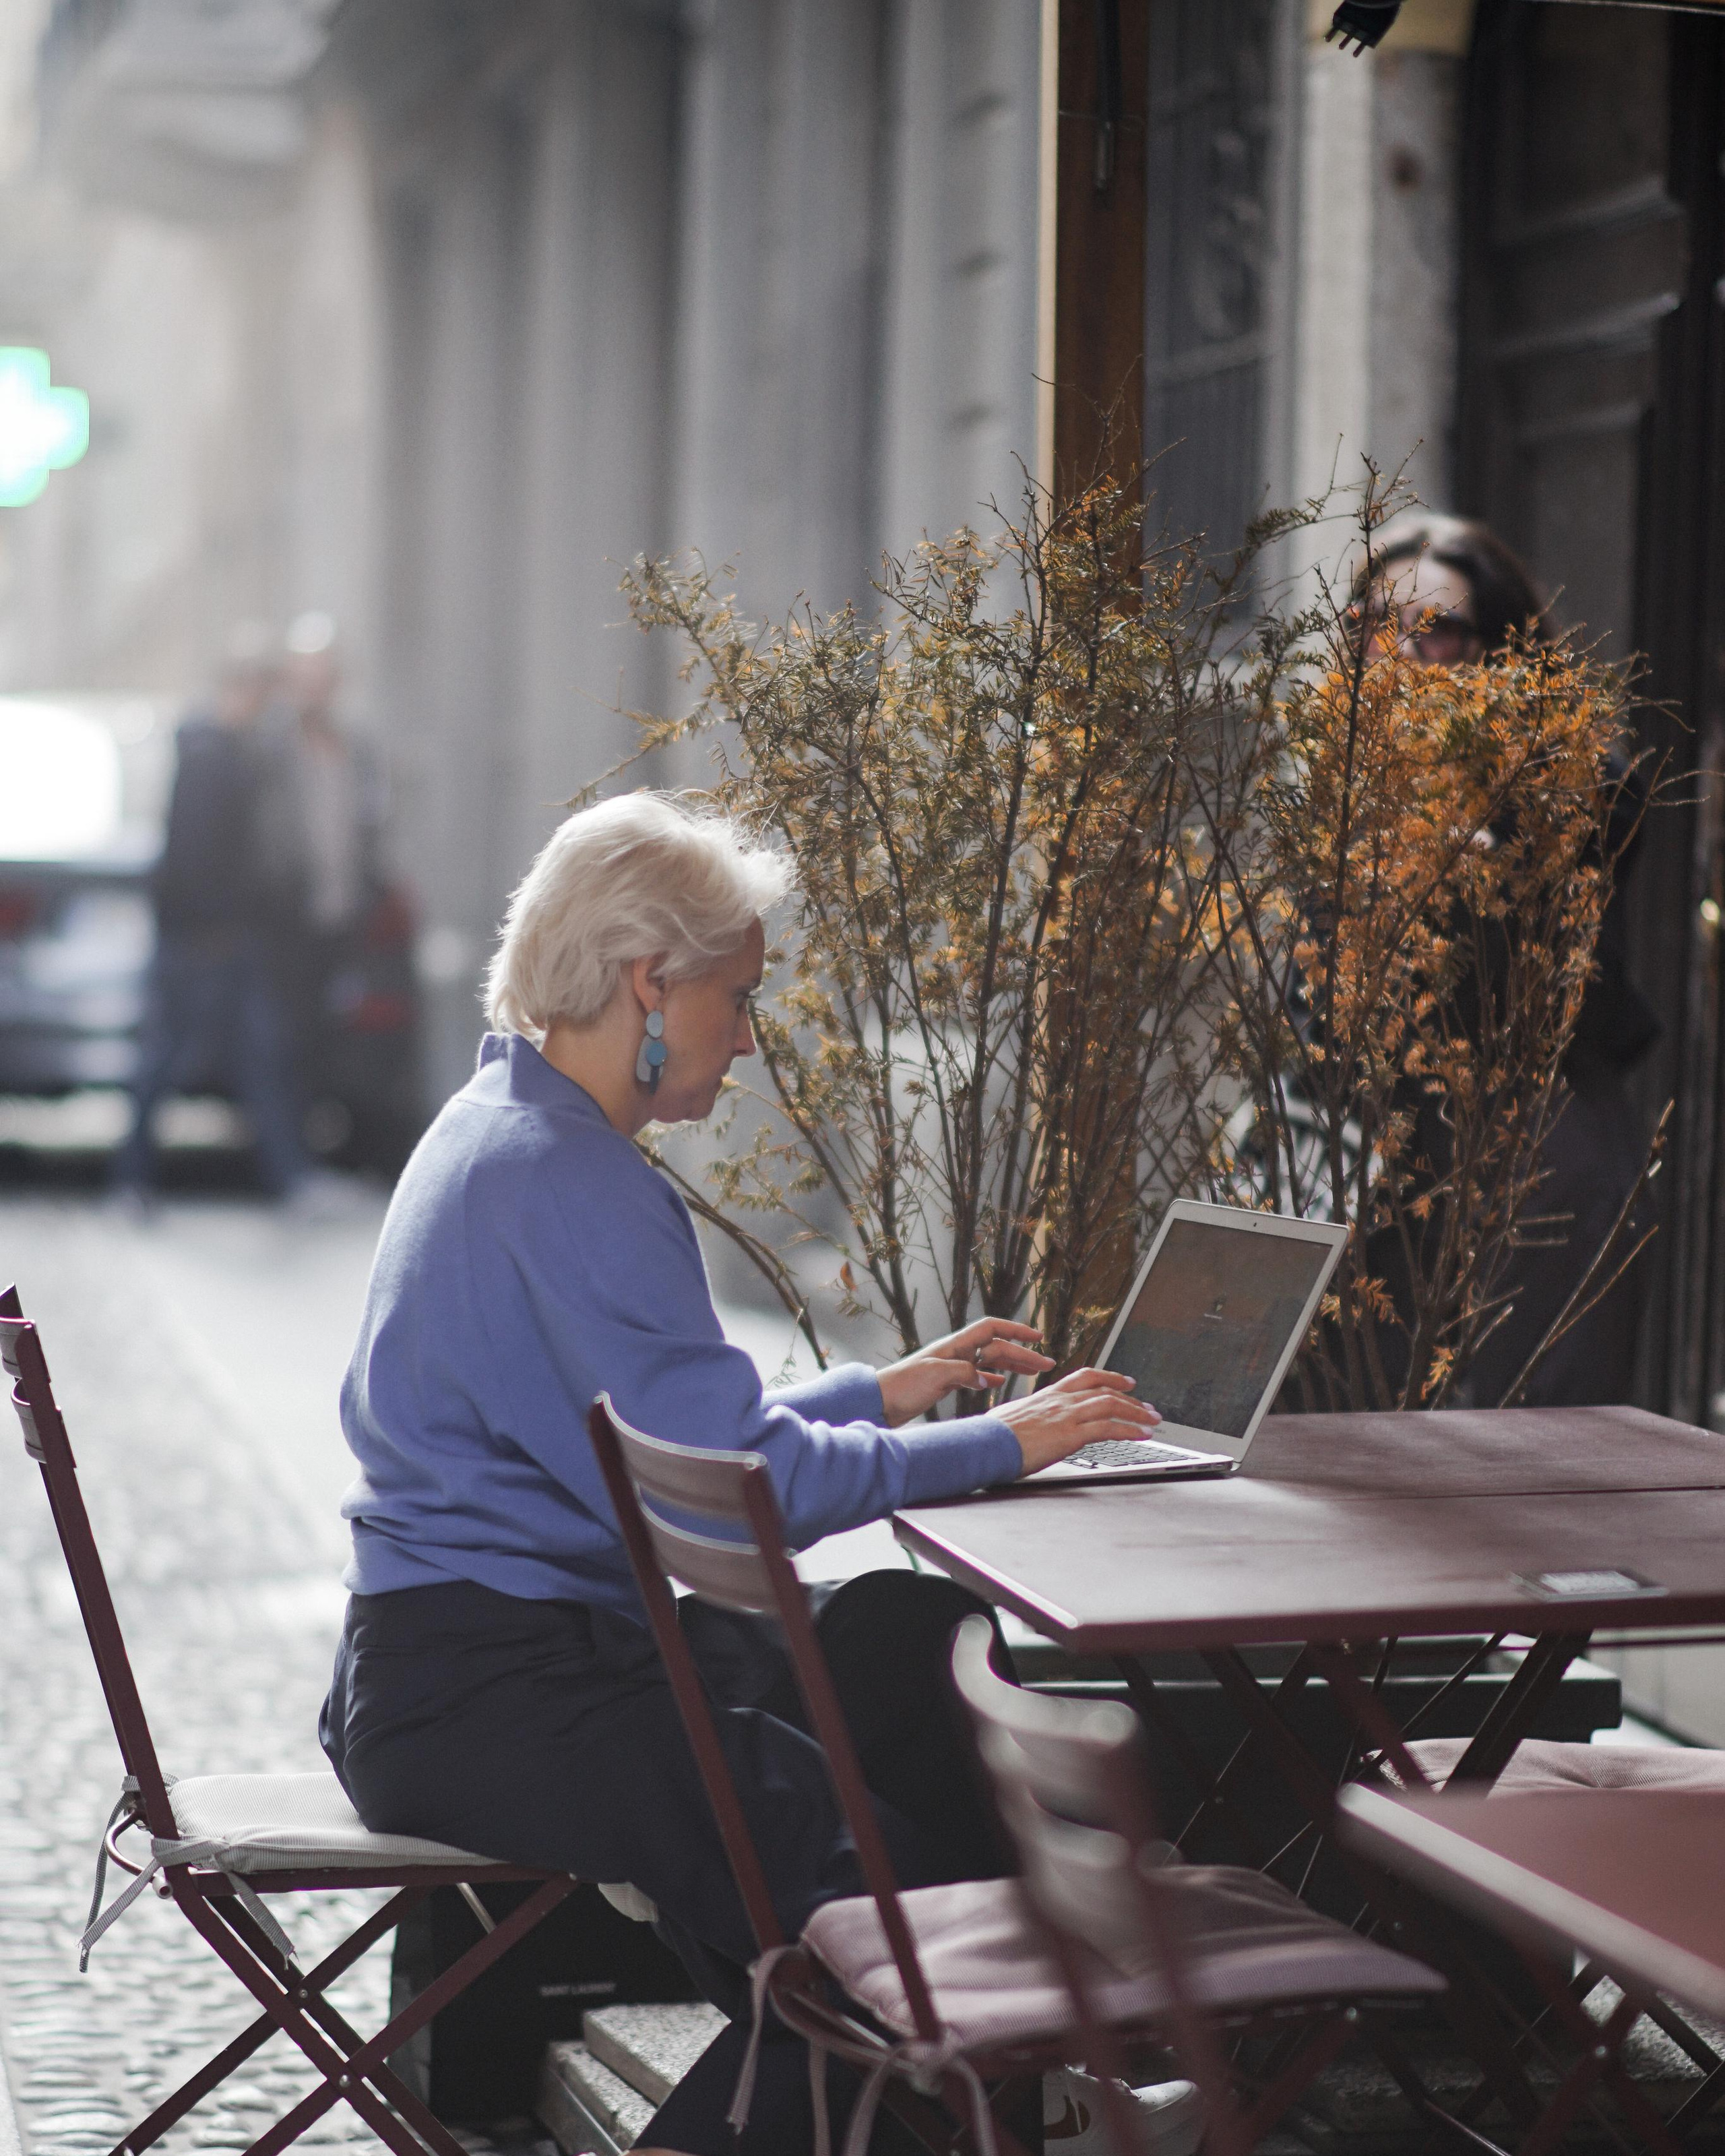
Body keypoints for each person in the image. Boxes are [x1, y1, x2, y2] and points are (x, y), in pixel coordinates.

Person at [318, 793, 1179, 2156]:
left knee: (902, 1645)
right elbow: (735, 1486)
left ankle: (976, 2091)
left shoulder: (505, 1128)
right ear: (648, 982)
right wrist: (995, 1445)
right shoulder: (570, 1179)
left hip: (473, 1672)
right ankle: (981, 2065)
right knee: (888, 1931)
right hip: (512, 1690)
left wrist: (876, 1392)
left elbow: (666, 1430)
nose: (749, 1030)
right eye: (737, 994)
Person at [1367, 512, 1658, 1405]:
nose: (1402, 653)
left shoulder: (1575, 783)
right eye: (1374, 625)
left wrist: (1488, 877)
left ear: (1498, 647)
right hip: (1379, 1163)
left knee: (1520, 1445)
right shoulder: (1338, 791)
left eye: (1436, 629)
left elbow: (1583, 996)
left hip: (1536, 1154)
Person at [113, 626, 309, 1203]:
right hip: (201, 939)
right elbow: (195, 859)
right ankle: (132, 1180)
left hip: (224, 936)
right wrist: (209, 928)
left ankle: (289, 1179)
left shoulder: (234, 752)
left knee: (258, 1059)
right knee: (166, 1061)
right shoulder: (208, 755)